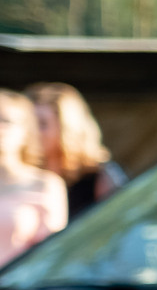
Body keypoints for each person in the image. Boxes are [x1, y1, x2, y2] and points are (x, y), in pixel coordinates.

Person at [29, 84, 124, 218]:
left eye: (42, 124)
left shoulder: (100, 176)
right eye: (27, 123)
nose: (32, 132)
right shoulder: (17, 176)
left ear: (67, 128)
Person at [0, 91, 70, 262]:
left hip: (15, 285)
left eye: (6, 121)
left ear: (25, 131)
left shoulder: (45, 184)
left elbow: (52, 253)